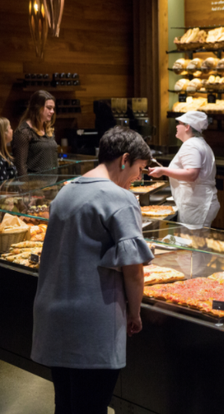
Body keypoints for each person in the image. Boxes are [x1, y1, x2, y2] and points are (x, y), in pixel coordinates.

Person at [31, 126, 154, 414]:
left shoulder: (65, 191)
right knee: (91, 408)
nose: (138, 178)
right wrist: (135, 312)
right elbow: (133, 270)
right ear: (125, 159)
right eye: (139, 169)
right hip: (92, 323)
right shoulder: (120, 199)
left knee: (66, 405)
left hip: (53, 316)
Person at [148, 111, 219, 229]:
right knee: (199, 243)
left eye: (179, 123)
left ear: (187, 127)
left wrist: (163, 171)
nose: (176, 126)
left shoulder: (191, 145)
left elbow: (192, 174)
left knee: (192, 243)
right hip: (201, 201)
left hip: (197, 204)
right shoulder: (199, 143)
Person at [12, 90, 58, 175]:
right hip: (35, 184)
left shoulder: (48, 130)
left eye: (53, 108)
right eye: (49, 108)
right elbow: (20, 166)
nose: (52, 111)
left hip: (52, 183)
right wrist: (27, 186)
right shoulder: (24, 132)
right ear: (37, 107)